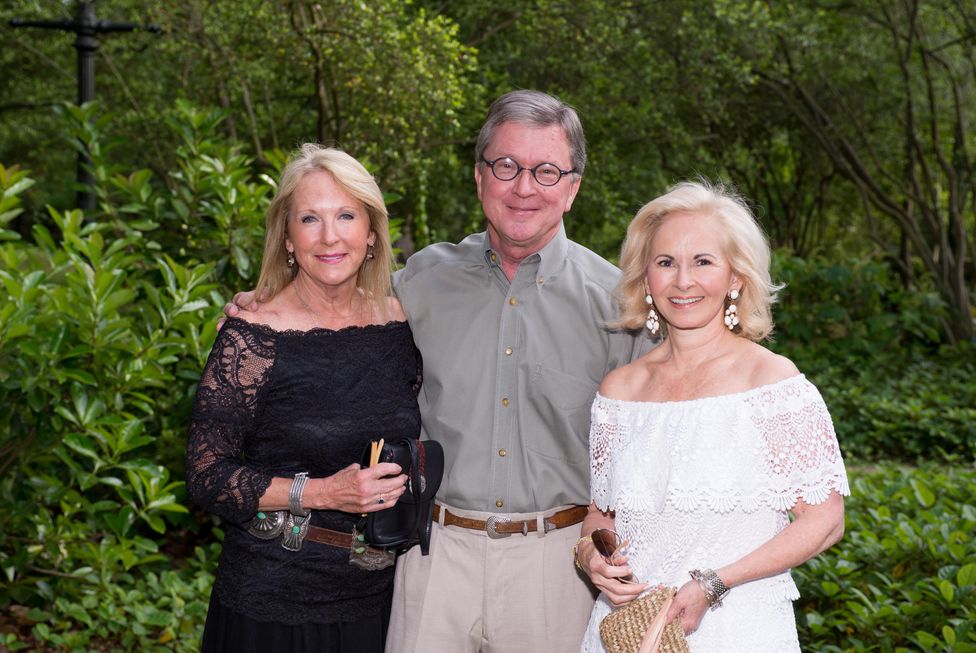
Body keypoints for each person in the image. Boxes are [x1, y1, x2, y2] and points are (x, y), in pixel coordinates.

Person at [226, 90, 647, 651]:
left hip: (557, 565)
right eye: (506, 166)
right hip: (433, 556)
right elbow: (337, 307)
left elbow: (653, 448)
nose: (524, 187)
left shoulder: (619, 307)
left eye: (546, 171)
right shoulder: (421, 282)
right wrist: (266, 306)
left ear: (572, 188)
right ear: (479, 177)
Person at [574, 181, 849, 652]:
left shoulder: (773, 383)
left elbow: (825, 520)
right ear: (646, 278)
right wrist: (590, 555)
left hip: (738, 626)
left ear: (735, 277)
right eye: (666, 262)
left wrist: (715, 583)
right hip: (629, 631)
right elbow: (602, 513)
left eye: (703, 261)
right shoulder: (619, 390)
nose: (683, 281)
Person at [186, 144, 422, 653]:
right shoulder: (252, 335)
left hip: (381, 604)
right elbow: (207, 476)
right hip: (272, 603)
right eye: (310, 218)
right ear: (287, 238)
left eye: (346, 215)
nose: (329, 236)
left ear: (372, 232)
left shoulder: (402, 325)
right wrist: (322, 493)